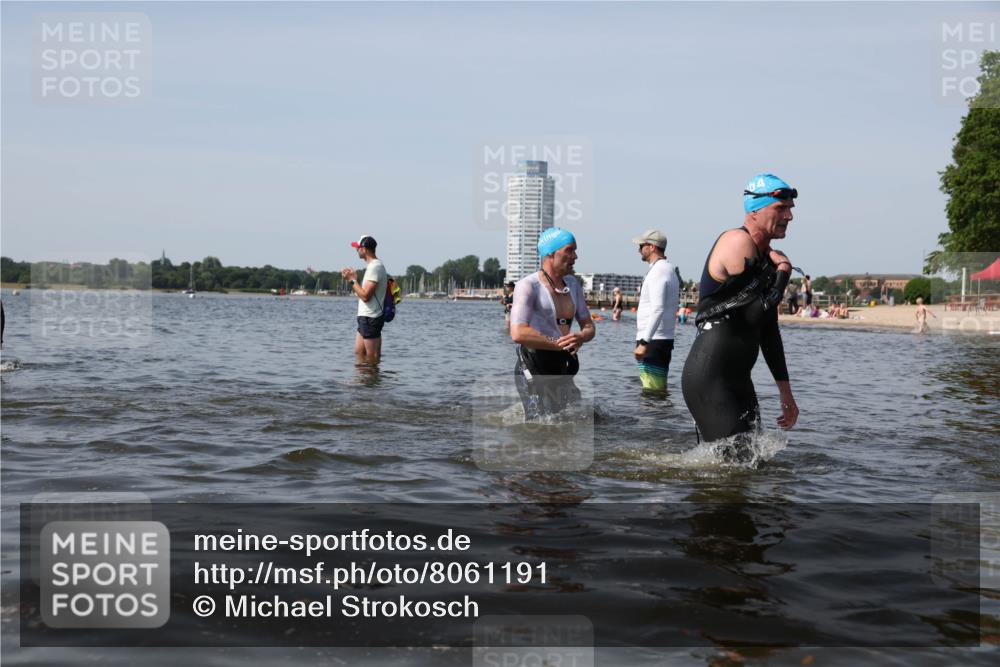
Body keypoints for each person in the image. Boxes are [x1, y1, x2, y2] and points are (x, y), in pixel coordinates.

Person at [681, 173, 799, 462]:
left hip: (737, 378)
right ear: (755, 210)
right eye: (781, 208)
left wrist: (786, 395)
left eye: (790, 208)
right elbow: (754, 311)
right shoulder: (737, 242)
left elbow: (768, 331)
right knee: (730, 468)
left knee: (749, 463)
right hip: (710, 376)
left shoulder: (764, 258)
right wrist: (783, 271)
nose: (790, 216)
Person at [510, 227, 595, 419]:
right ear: (550, 253)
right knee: (540, 424)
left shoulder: (573, 285)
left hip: (561, 365)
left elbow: (589, 326)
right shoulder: (528, 286)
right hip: (533, 365)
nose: (575, 256)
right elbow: (518, 333)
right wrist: (559, 344)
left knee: (575, 419)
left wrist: (581, 336)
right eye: (570, 250)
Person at [632, 229, 680, 394]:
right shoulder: (667, 269)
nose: (638, 249)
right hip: (660, 338)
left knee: (652, 392)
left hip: (653, 340)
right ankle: (660, 419)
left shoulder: (659, 271)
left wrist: (644, 342)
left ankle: (652, 420)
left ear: (652, 247)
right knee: (656, 390)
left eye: (641, 245)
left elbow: (658, 308)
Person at [341, 235, 388, 364]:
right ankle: (363, 383)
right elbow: (363, 293)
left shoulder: (375, 267)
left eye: (358, 248)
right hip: (366, 317)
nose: (356, 250)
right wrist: (355, 280)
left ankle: (371, 383)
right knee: (359, 354)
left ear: (365, 249)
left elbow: (366, 296)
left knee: (371, 358)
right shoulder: (373, 266)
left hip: (371, 318)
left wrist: (351, 280)